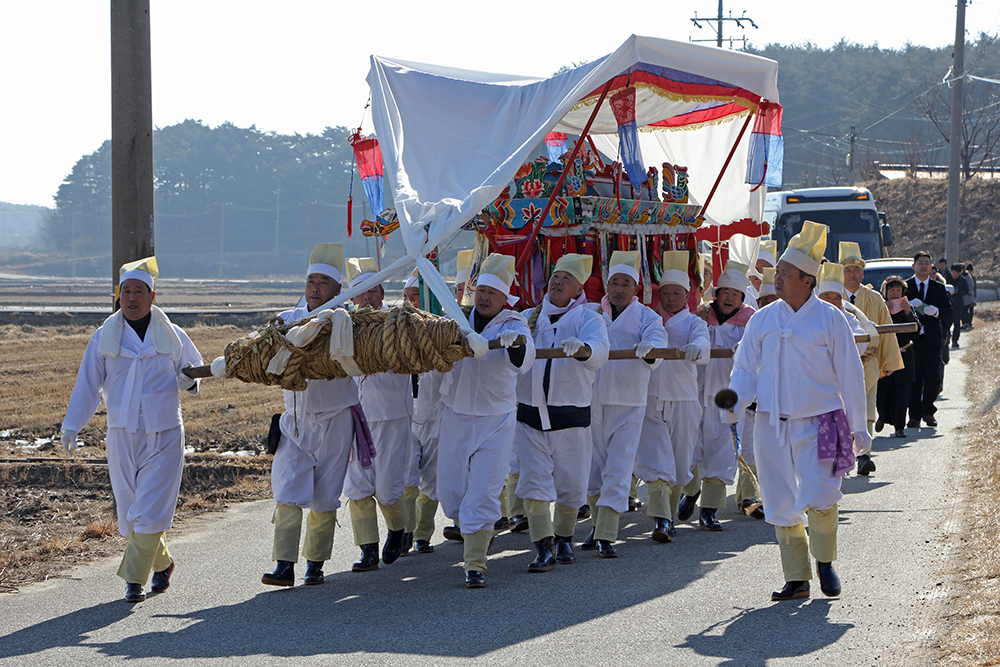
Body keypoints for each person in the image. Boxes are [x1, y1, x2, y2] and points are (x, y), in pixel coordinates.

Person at [729, 220, 869, 601]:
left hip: (823, 421)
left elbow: (850, 374)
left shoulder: (830, 318)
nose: (778, 279)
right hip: (771, 424)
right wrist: (733, 401)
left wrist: (859, 426)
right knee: (779, 500)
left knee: (822, 494)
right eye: (779, 273)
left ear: (808, 280)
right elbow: (744, 368)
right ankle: (797, 577)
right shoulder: (761, 319)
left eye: (786, 274)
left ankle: (824, 562)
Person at [62, 256, 203, 602]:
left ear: (152, 297)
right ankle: (163, 564)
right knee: (130, 510)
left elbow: (195, 372)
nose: (132, 297)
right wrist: (72, 426)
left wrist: (187, 379)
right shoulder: (103, 337)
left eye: (139, 291)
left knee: (150, 509)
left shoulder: (172, 335)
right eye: (126, 291)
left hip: (165, 433)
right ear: (118, 296)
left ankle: (133, 580)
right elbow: (87, 385)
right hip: (121, 433)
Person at [262, 243, 359, 587]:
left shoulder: (351, 324)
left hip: (336, 418)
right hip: (295, 419)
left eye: (323, 282)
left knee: (326, 493)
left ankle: (315, 562)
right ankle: (284, 565)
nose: (315, 287)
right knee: (286, 488)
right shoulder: (287, 322)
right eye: (311, 281)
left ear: (337, 289)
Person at [437, 253, 535, 587]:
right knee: (450, 492)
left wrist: (516, 346)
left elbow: (526, 355)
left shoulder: (514, 324)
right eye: (480, 290)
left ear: (505, 298)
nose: (484, 297)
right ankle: (475, 529)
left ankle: (475, 564)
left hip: (495, 421)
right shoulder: (456, 321)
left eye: (492, 292)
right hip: (455, 416)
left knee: (484, 489)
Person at [516, 253, 609, 565]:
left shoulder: (589, 318)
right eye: (555, 276)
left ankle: (565, 537)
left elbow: (599, 351)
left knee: (571, 484)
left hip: (570, 417)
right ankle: (543, 547)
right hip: (529, 416)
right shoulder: (528, 316)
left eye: (565, 279)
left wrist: (583, 350)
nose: (557, 281)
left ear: (578, 288)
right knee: (534, 482)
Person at [585, 251, 667, 553]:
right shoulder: (591, 312)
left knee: (619, 466)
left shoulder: (648, 316)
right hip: (592, 399)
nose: (619, 289)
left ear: (636, 289)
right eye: (614, 282)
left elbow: (658, 339)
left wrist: (652, 348)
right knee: (594, 467)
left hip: (629, 401)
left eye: (626, 284)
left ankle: (606, 534)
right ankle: (596, 525)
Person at [342, 257, 414, 571]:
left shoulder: (399, 322)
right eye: (360, 292)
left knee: (387, 487)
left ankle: (398, 530)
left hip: (392, 414)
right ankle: (367, 549)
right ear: (350, 298)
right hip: (353, 416)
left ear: (383, 293)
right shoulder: (341, 326)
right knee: (357, 487)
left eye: (373, 291)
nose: (367, 298)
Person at [635, 250, 710, 541]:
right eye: (665, 293)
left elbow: (703, 343)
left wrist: (697, 350)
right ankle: (661, 521)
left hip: (683, 398)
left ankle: (670, 512)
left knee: (680, 460)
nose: (670, 298)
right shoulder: (649, 320)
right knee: (656, 458)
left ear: (687, 295)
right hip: (650, 397)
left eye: (677, 293)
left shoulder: (694, 323)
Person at [678, 258, 754, 531]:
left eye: (736, 294)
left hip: (729, 397)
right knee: (691, 447)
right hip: (696, 393)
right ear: (717, 295)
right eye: (726, 292)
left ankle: (709, 511)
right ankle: (690, 493)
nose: (730, 298)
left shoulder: (750, 324)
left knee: (723, 452)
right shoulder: (698, 318)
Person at [839, 242, 903, 475]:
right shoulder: (831, 298)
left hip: (868, 362)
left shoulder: (874, 298)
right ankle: (845, 454)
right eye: (847, 270)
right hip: (840, 365)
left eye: (856, 270)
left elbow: (886, 330)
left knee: (867, 407)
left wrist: (887, 363)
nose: (852, 274)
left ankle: (864, 454)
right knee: (841, 409)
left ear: (862, 273)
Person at [905, 251, 951, 428]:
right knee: (913, 377)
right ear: (913, 266)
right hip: (912, 339)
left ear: (931, 267)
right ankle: (914, 415)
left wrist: (936, 311)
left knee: (933, 376)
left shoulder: (938, 287)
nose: (923, 266)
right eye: (920, 263)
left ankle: (928, 411)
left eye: (927, 263)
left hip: (932, 339)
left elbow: (949, 311)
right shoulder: (906, 286)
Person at [876, 276, 917, 438]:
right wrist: (883, 310)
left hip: (904, 353)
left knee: (902, 392)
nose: (895, 293)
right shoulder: (879, 307)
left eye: (898, 290)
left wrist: (907, 312)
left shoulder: (907, 307)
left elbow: (916, 328)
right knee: (883, 390)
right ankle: (882, 417)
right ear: (885, 292)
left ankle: (899, 427)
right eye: (892, 290)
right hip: (885, 354)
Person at [947, 264, 969, 349]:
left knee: (956, 323)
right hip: (948, 304)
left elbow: (966, 291)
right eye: (953, 272)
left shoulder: (962, 280)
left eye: (956, 273)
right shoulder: (947, 278)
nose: (954, 275)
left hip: (958, 304)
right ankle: (947, 337)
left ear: (959, 273)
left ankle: (955, 340)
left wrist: (958, 291)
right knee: (947, 322)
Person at [963, 263, 977, 330]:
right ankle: (966, 322)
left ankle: (970, 322)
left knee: (971, 310)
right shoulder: (965, 276)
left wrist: (974, 295)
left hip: (971, 295)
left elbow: (974, 287)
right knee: (965, 310)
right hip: (966, 296)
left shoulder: (973, 277)